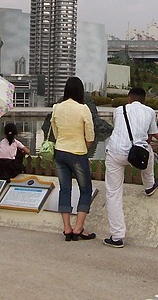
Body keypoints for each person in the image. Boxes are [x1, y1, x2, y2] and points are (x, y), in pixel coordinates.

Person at [103, 87, 158, 248]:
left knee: (113, 194)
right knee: (149, 151)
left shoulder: (118, 110)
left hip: (115, 152)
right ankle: (149, 184)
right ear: (144, 100)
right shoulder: (150, 111)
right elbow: (149, 136)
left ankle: (117, 236)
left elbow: (120, 128)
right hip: (136, 154)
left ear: (129, 98)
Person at [51, 76, 96, 242]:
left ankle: (67, 228)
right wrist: (83, 146)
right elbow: (90, 135)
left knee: (65, 189)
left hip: (60, 151)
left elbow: (55, 132)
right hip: (77, 152)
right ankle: (78, 228)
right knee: (85, 190)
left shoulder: (56, 107)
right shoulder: (83, 108)